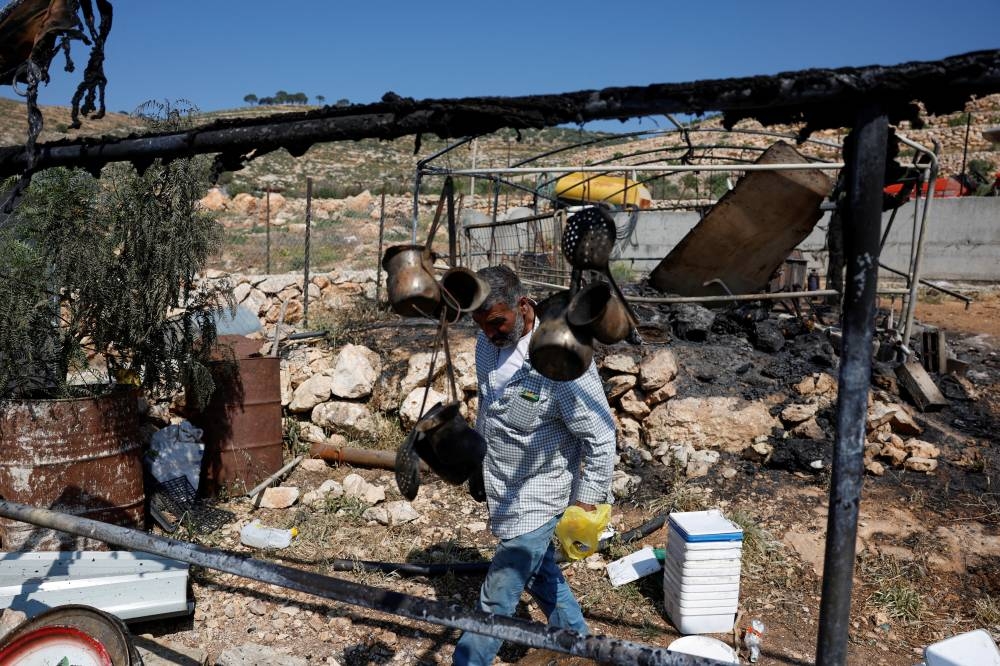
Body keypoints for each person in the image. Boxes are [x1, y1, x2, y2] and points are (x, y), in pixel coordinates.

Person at [453, 265, 616, 666]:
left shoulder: (562, 359)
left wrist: (589, 501)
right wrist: (478, 462)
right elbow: (489, 408)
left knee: (499, 590)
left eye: (496, 322)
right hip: (504, 482)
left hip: (542, 491)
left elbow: (600, 434)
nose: (489, 333)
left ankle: (468, 661)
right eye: (481, 324)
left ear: (523, 306)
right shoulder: (486, 343)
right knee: (541, 571)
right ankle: (577, 641)